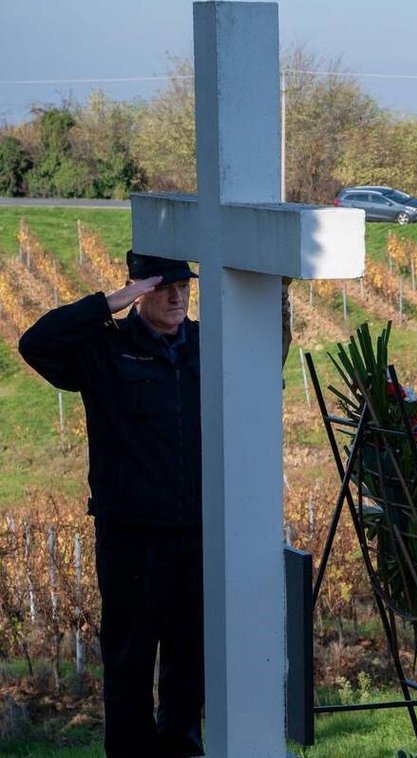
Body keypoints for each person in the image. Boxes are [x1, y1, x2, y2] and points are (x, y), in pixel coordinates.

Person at [18, 251, 203, 757]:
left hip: (195, 533)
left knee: (190, 659)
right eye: (162, 286)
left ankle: (182, 751)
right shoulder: (106, 349)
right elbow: (35, 344)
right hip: (130, 538)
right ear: (139, 291)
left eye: (183, 285)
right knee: (129, 659)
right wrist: (110, 302)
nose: (176, 296)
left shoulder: (205, 347)